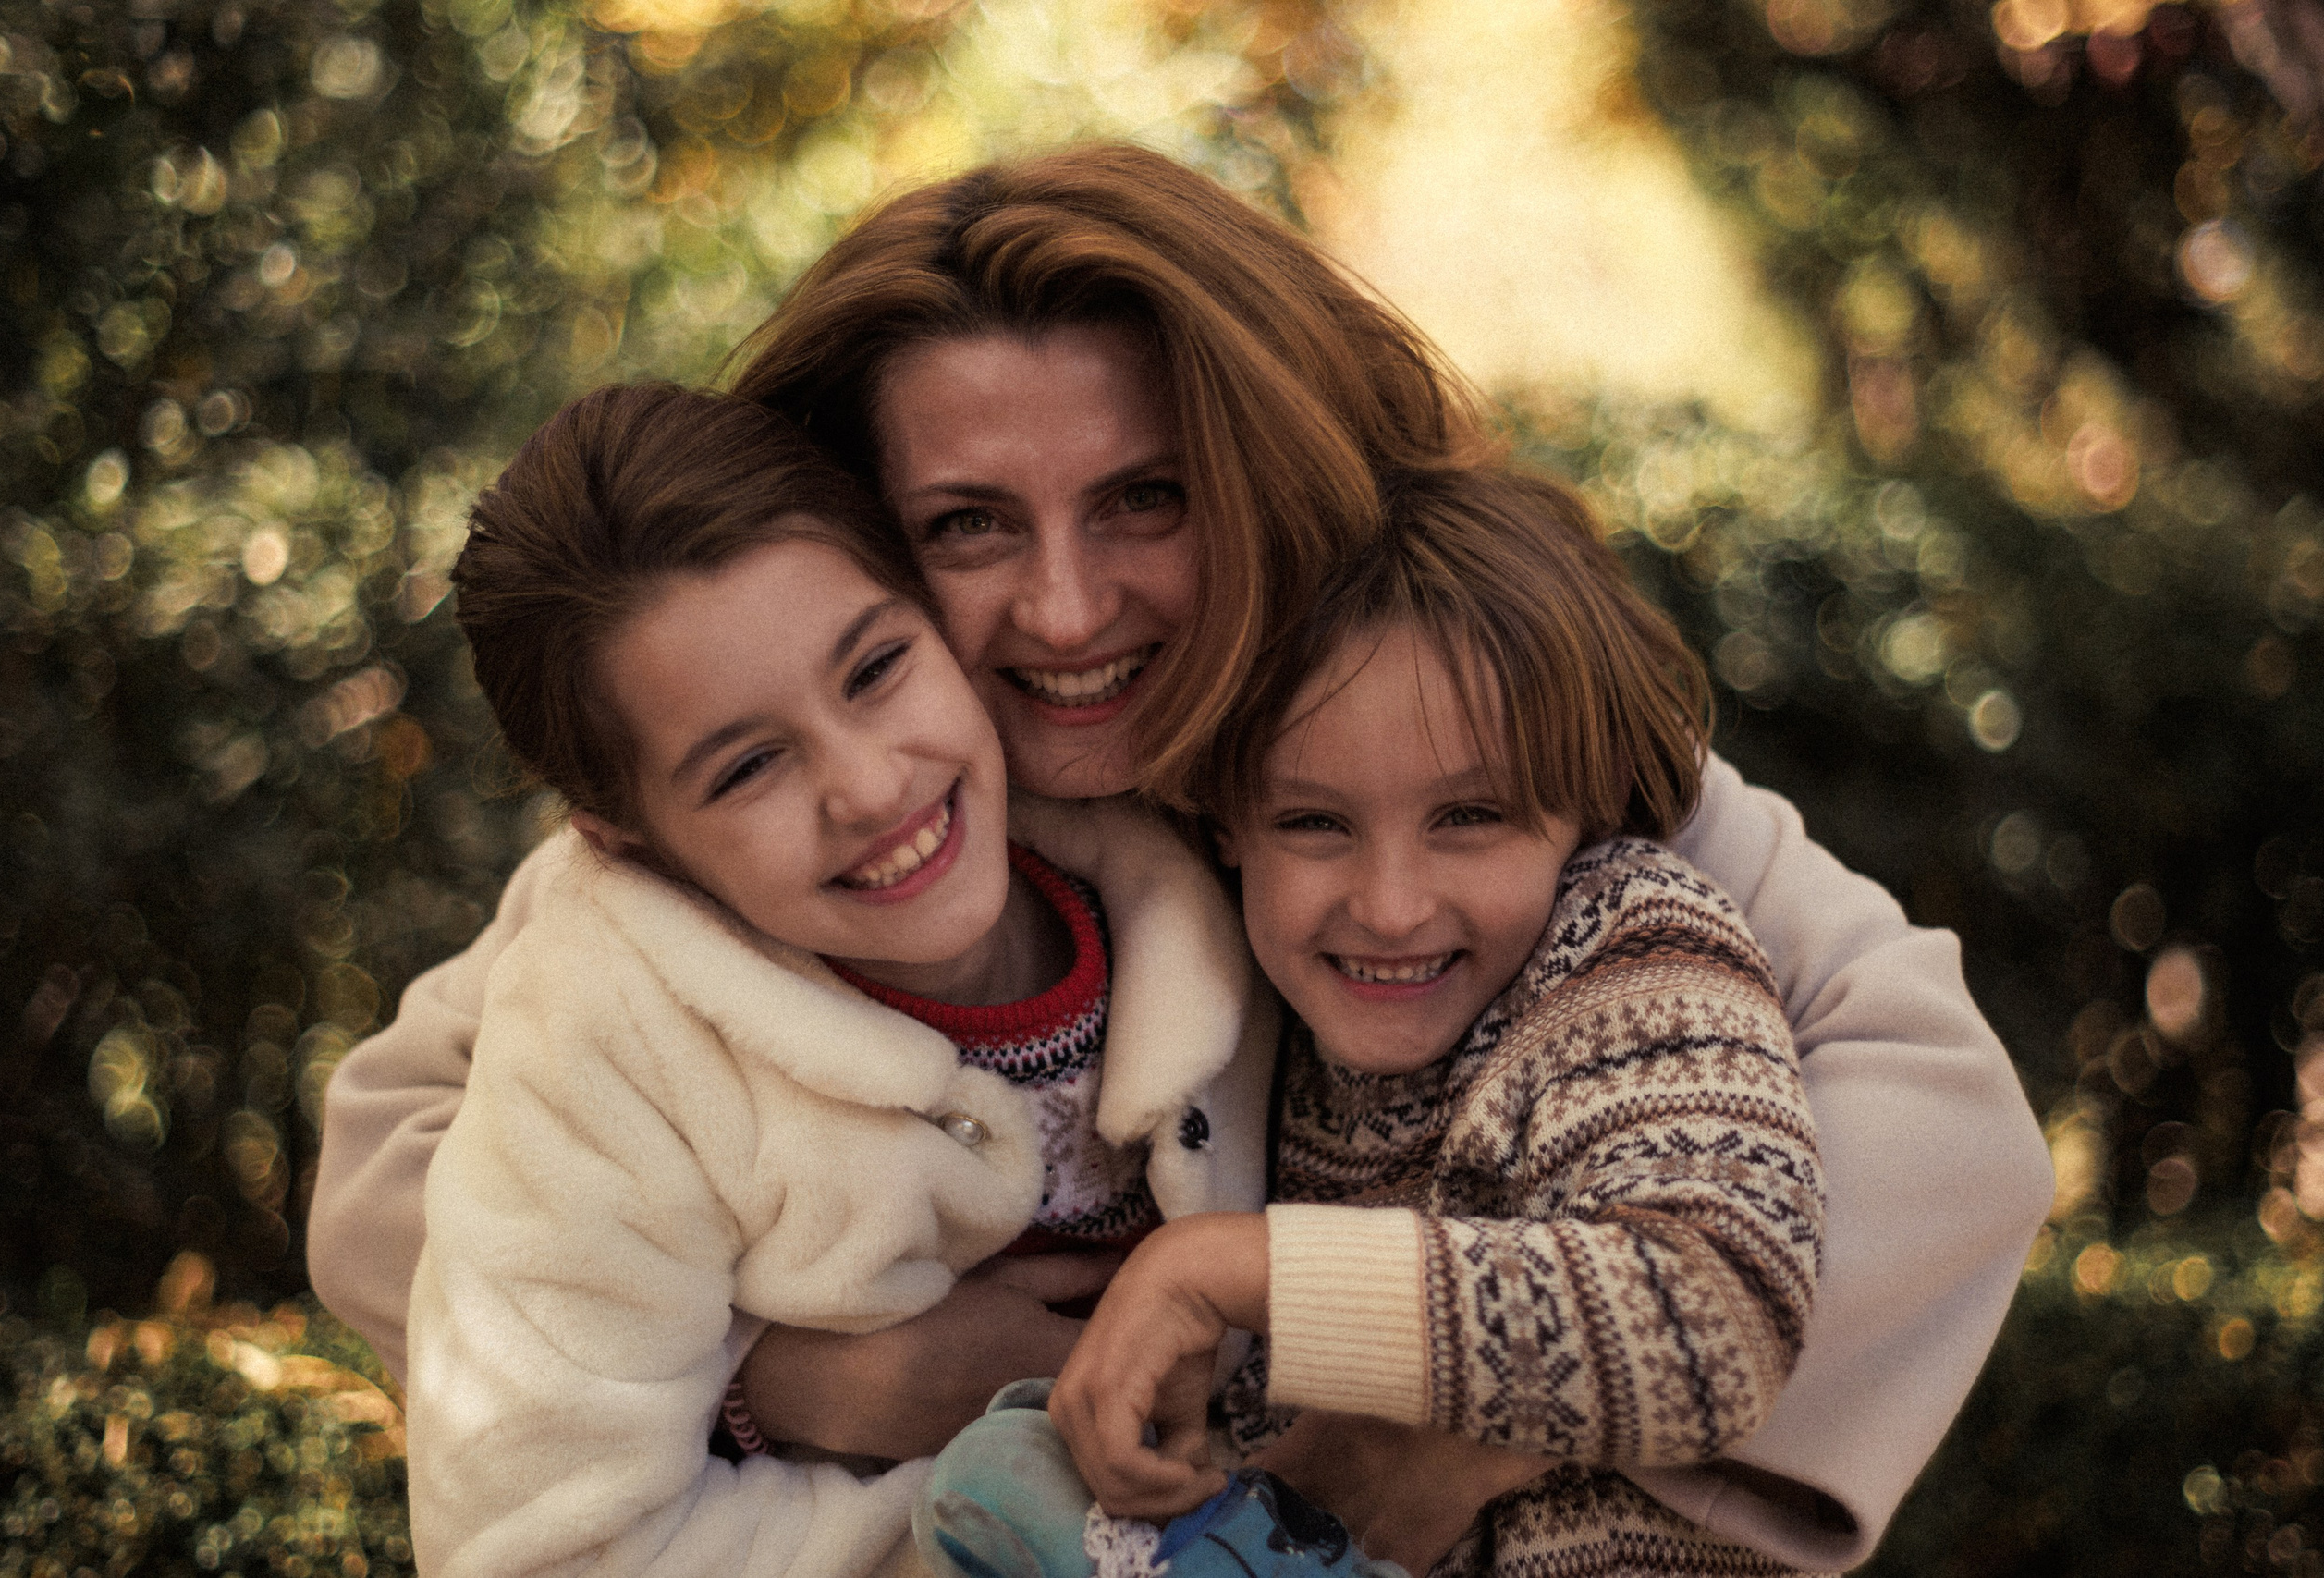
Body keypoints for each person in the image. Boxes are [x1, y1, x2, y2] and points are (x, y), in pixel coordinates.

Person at [308, 143, 2053, 1574]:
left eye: (1145, 499)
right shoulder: (818, 820)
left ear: (1262, 470)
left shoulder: (1430, 733)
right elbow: (407, 1157)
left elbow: (1946, 1112)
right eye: (969, 528)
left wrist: (1478, 1402)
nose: (1066, 611)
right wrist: (794, 1378)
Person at [404, 384, 1277, 1578]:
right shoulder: (601, 1040)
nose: (869, 785)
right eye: (750, 764)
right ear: (621, 837)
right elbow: (544, 1539)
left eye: (875, 667)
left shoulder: (1194, 827)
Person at [923, 467, 1825, 1578]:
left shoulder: (1625, 942)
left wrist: (1224, 1269)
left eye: (1470, 816)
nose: (1391, 907)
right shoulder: (1258, 1034)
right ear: (1222, 825)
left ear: (1582, 799)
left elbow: (1715, 1328)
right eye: (1313, 823)